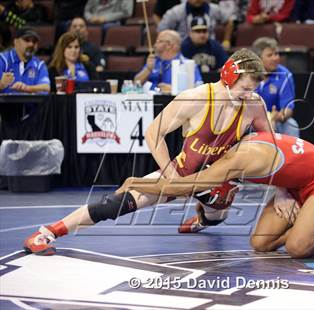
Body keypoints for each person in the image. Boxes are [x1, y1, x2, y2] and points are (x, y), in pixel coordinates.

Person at [23, 48, 273, 255]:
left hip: (216, 180)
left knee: (217, 217)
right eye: (245, 88)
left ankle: (200, 220)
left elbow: (273, 144)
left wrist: (277, 186)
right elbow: (153, 133)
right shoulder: (196, 98)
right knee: (116, 205)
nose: (249, 94)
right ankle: (47, 232)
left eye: (253, 89)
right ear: (228, 78)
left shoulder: (253, 104)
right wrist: (169, 171)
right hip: (181, 174)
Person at [117, 132, 314, 258]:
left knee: (297, 247)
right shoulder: (239, 145)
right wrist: (281, 190)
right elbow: (285, 163)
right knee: (260, 245)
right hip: (295, 183)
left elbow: (182, 187)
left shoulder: (236, 161)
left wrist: (135, 182)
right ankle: (312, 219)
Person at [252, 37, 299, 137]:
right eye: (270, 55)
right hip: (250, 120)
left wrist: (279, 116)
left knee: (292, 125)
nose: (275, 58)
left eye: (276, 54)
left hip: (276, 121)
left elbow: (288, 109)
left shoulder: (286, 75)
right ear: (258, 58)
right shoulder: (248, 74)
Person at [134, 30, 203, 93]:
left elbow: (199, 89)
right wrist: (148, 69)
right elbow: (135, 84)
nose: (154, 45)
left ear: (169, 45)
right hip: (151, 103)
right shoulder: (154, 61)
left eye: (159, 41)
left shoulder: (187, 64)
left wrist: (173, 90)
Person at [158, 0, 234, 50]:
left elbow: (229, 22)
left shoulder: (214, 9)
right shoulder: (176, 12)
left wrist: (226, 41)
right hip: (183, 50)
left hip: (210, 49)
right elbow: (162, 30)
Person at [0, 27, 50, 94]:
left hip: (30, 104)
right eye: (27, 40)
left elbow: (46, 88)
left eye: (34, 41)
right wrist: (1, 85)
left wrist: (26, 88)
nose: (31, 44)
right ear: (15, 42)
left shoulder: (39, 64)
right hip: (6, 104)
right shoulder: (3, 59)